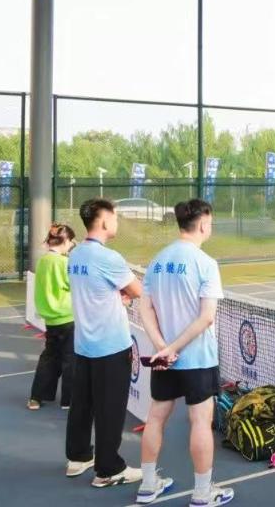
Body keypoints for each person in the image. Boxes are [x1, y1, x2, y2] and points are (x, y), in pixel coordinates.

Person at [135, 200, 233, 507]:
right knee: (200, 422)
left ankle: (147, 485)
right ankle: (203, 492)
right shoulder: (206, 263)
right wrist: (172, 348)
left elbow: (145, 309)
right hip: (198, 358)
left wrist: (162, 347)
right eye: (210, 222)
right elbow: (206, 318)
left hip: (164, 359)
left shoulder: (157, 261)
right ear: (203, 224)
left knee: (155, 418)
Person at [65, 199, 144, 487]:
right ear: (104, 221)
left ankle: (78, 457)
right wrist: (123, 296)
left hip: (83, 345)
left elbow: (97, 290)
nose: (117, 222)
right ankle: (108, 469)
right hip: (110, 347)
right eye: (115, 217)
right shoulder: (109, 258)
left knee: (82, 405)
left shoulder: (75, 255)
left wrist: (117, 296)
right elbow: (137, 290)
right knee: (110, 409)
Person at [29, 223, 78, 411]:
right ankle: (68, 400)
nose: (71, 245)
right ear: (65, 240)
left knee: (49, 357)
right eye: (71, 242)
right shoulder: (64, 263)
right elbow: (75, 285)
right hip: (68, 317)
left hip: (50, 320)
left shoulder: (42, 262)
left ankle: (36, 397)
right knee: (70, 359)